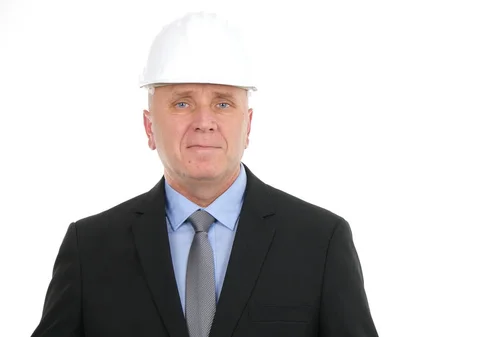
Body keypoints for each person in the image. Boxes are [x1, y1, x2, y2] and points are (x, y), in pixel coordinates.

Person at [31, 12, 379, 337]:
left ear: (248, 126)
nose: (204, 122)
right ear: (149, 127)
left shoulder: (320, 241)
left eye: (223, 103)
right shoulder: (89, 249)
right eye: (182, 103)